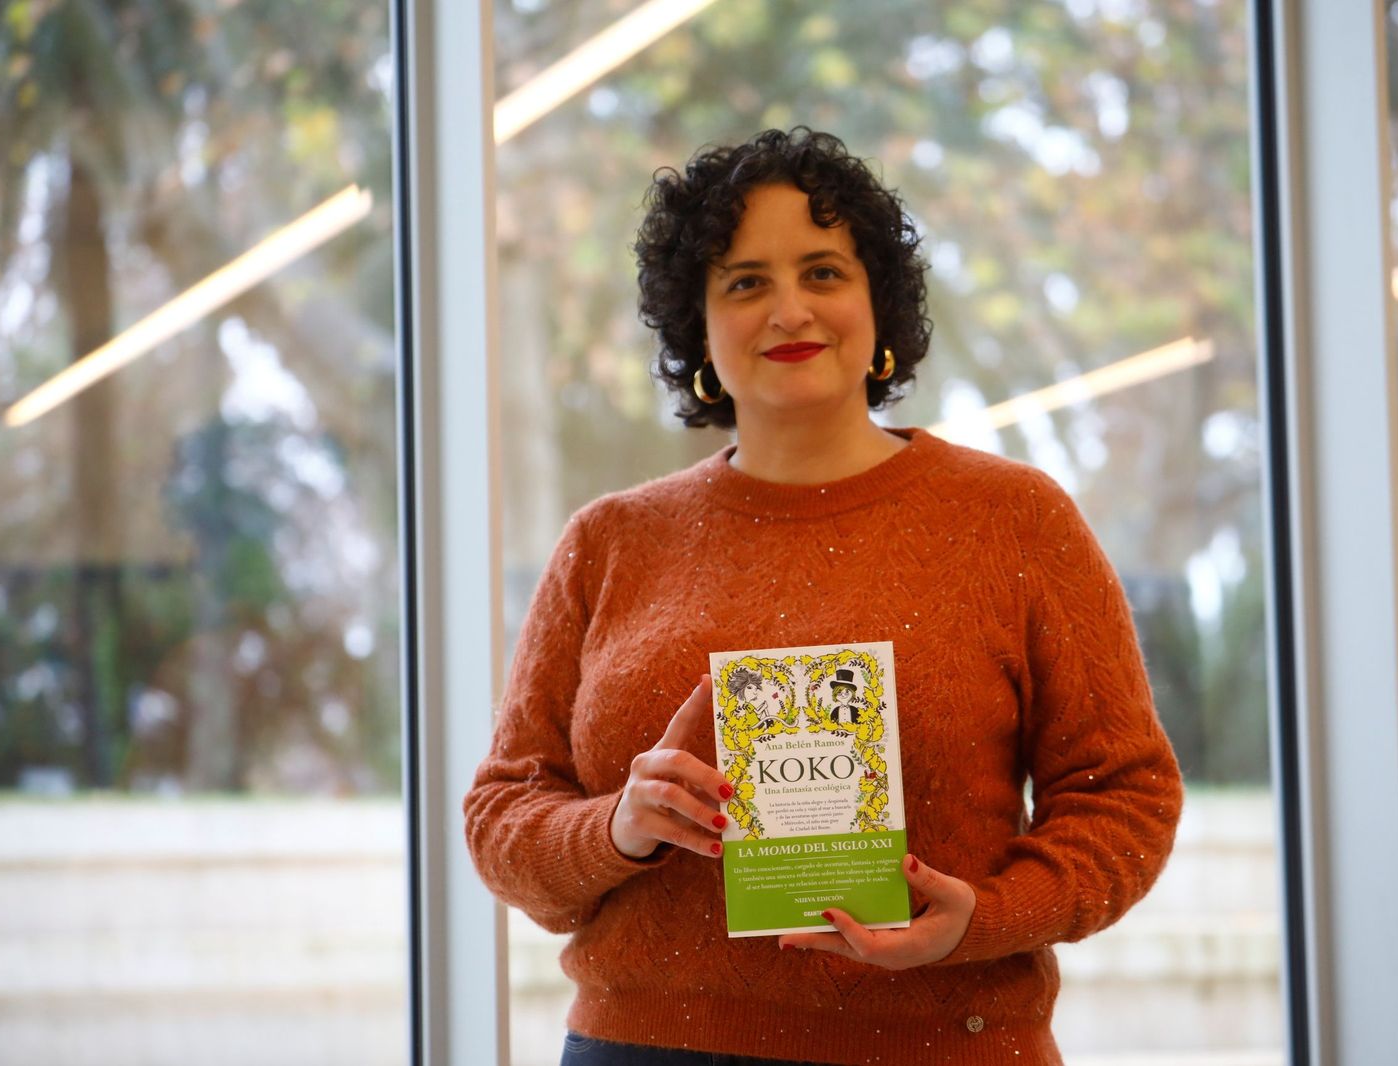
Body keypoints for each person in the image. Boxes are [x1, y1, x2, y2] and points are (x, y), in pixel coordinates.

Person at [463, 127, 1183, 1066]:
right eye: (745, 281)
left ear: (878, 307)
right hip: (645, 1046)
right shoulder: (610, 542)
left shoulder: (1013, 520)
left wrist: (988, 916)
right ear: (701, 333)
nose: (789, 309)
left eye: (824, 272)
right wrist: (618, 826)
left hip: (942, 1047)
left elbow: (1125, 796)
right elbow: (502, 815)